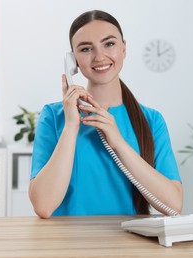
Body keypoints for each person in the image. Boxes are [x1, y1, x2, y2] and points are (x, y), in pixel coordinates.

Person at [29, 10, 183, 218]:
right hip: (66, 245)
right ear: (73, 61)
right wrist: (71, 126)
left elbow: (174, 205)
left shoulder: (151, 120)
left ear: (123, 48)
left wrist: (118, 142)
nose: (99, 56)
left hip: (130, 244)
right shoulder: (53, 117)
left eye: (109, 44)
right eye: (86, 49)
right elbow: (43, 206)